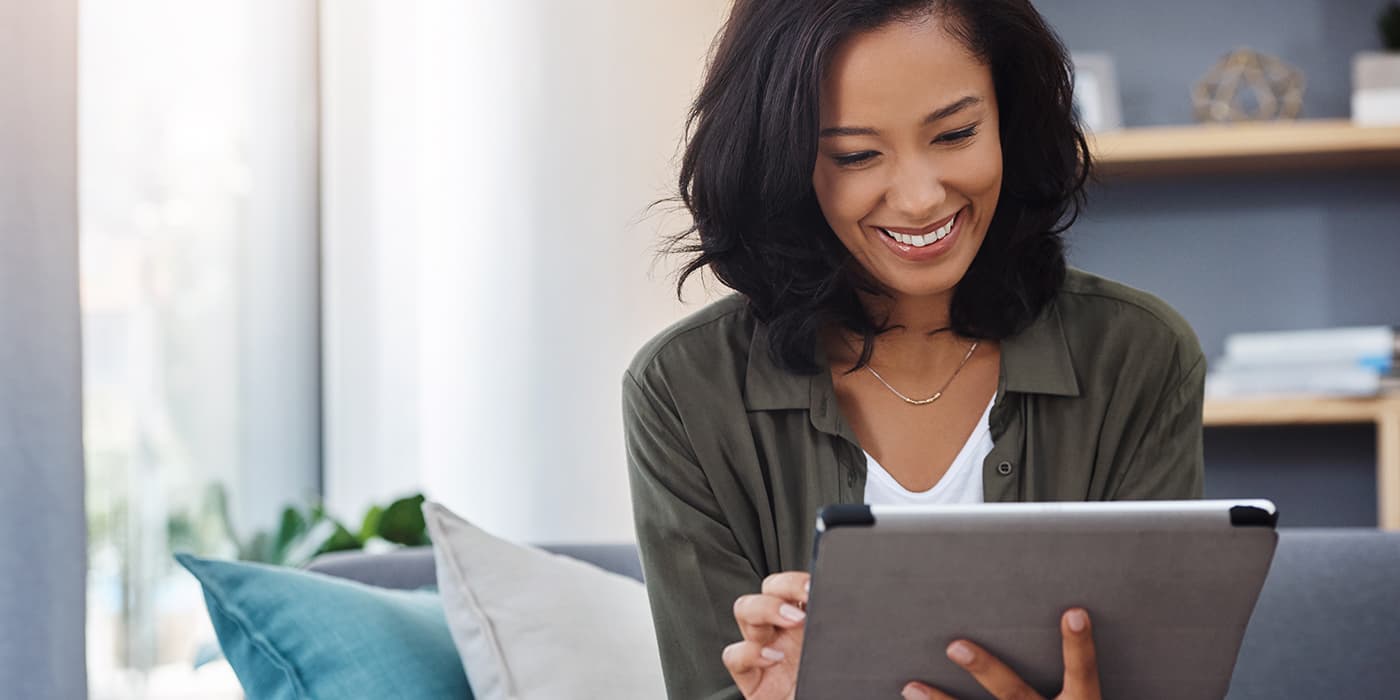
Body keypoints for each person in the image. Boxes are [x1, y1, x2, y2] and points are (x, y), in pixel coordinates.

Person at [622, 0, 1204, 698]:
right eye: (857, 155)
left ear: (1008, 117)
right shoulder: (683, 393)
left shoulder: (1138, 356)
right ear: (784, 163)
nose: (923, 197)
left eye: (956, 133)